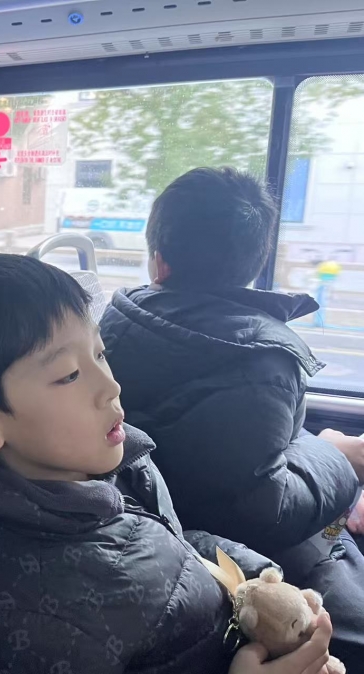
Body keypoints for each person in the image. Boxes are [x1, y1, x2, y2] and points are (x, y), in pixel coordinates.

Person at [0, 253, 302, 674]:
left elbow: (173, 549)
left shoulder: (103, 467)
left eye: (100, 353)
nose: (110, 386)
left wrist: (257, 579)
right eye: (69, 374)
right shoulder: (27, 617)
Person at [99, 167, 364, 668]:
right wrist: (338, 456)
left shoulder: (115, 319)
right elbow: (267, 510)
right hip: (235, 548)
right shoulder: (266, 358)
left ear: (158, 260)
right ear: (255, 262)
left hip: (173, 521)